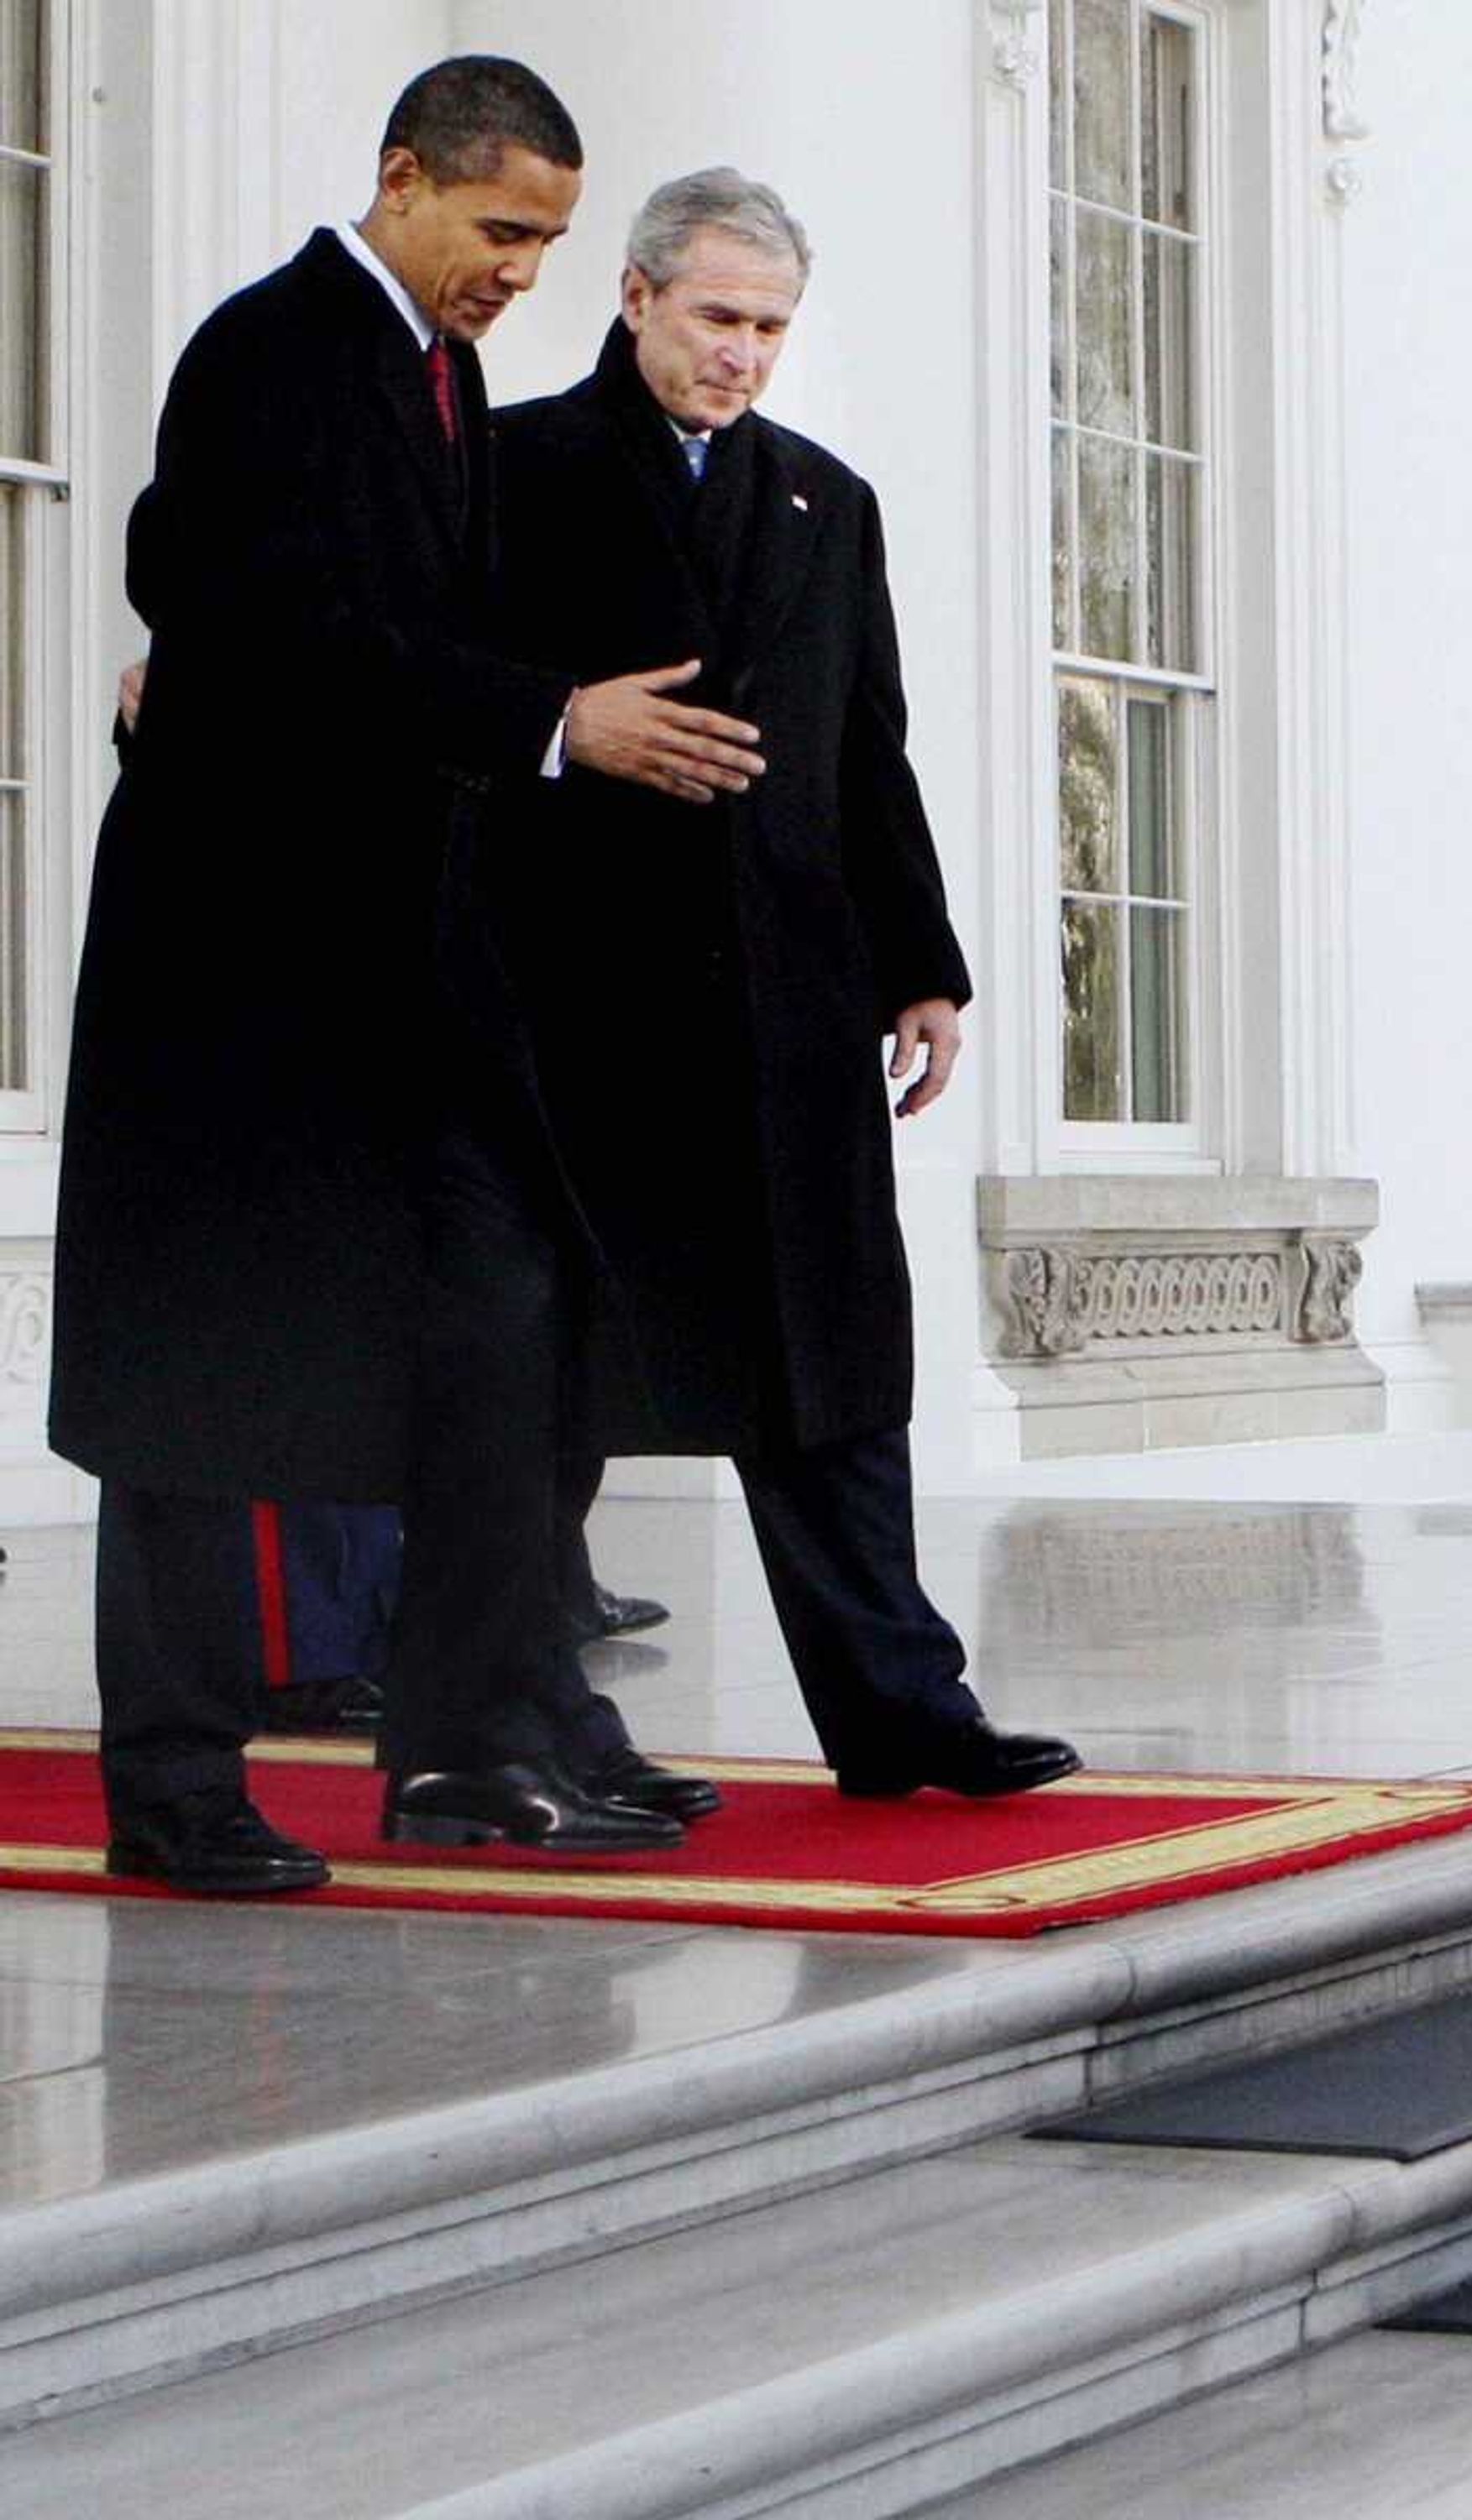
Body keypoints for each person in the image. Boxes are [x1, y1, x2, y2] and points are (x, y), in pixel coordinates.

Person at [53, 60, 773, 1893]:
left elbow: (363, 614)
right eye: (501, 228)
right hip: (235, 964)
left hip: (404, 963)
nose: (519, 271)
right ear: (402, 178)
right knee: (194, 1372)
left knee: (505, 1318)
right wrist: (549, 722)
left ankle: (470, 1737)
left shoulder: (443, 381)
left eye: (546, 239)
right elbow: (272, 619)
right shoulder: (276, 346)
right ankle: (178, 1780)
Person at [490, 170, 1076, 1801]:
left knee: (832, 1370)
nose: (744, 354)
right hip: (584, 1013)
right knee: (554, 1386)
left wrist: (922, 969)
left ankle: (905, 1714)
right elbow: (435, 688)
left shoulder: (830, 500)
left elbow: (860, 752)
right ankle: (529, 1715)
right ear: (635, 297)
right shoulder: (515, 467)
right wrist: (564, 714)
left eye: (770, 328)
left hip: (792, 1012)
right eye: (718, 319)